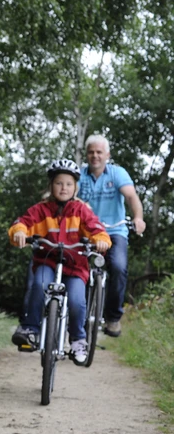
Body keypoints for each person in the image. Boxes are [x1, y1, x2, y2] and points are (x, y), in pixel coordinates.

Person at [9, 159, 110, 364]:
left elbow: (96, 228)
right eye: (58, 183)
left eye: (68, 184)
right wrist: (19, 233)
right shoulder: (40, 210)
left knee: (76, 301)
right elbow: (22, 223)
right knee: (39, 284)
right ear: (51, 186)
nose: (63, 188)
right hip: (47, 261)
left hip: (75, 267)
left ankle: (77, 340)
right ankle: (30, 329)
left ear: (75, 188)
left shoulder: (81, 211)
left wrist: (100, 240)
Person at [77, 134, 146, 337]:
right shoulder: (78, 175)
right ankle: (74, 314)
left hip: (115, 231)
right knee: (74, 269)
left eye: (99, 152)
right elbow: (67, 195)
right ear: (86, 155)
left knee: (118, 266)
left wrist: (138, 218)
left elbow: (132, 197)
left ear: (107, 154)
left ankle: (113, 318)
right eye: (91, 152)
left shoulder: (117, 173)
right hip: (87, 232)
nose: (95, 156)